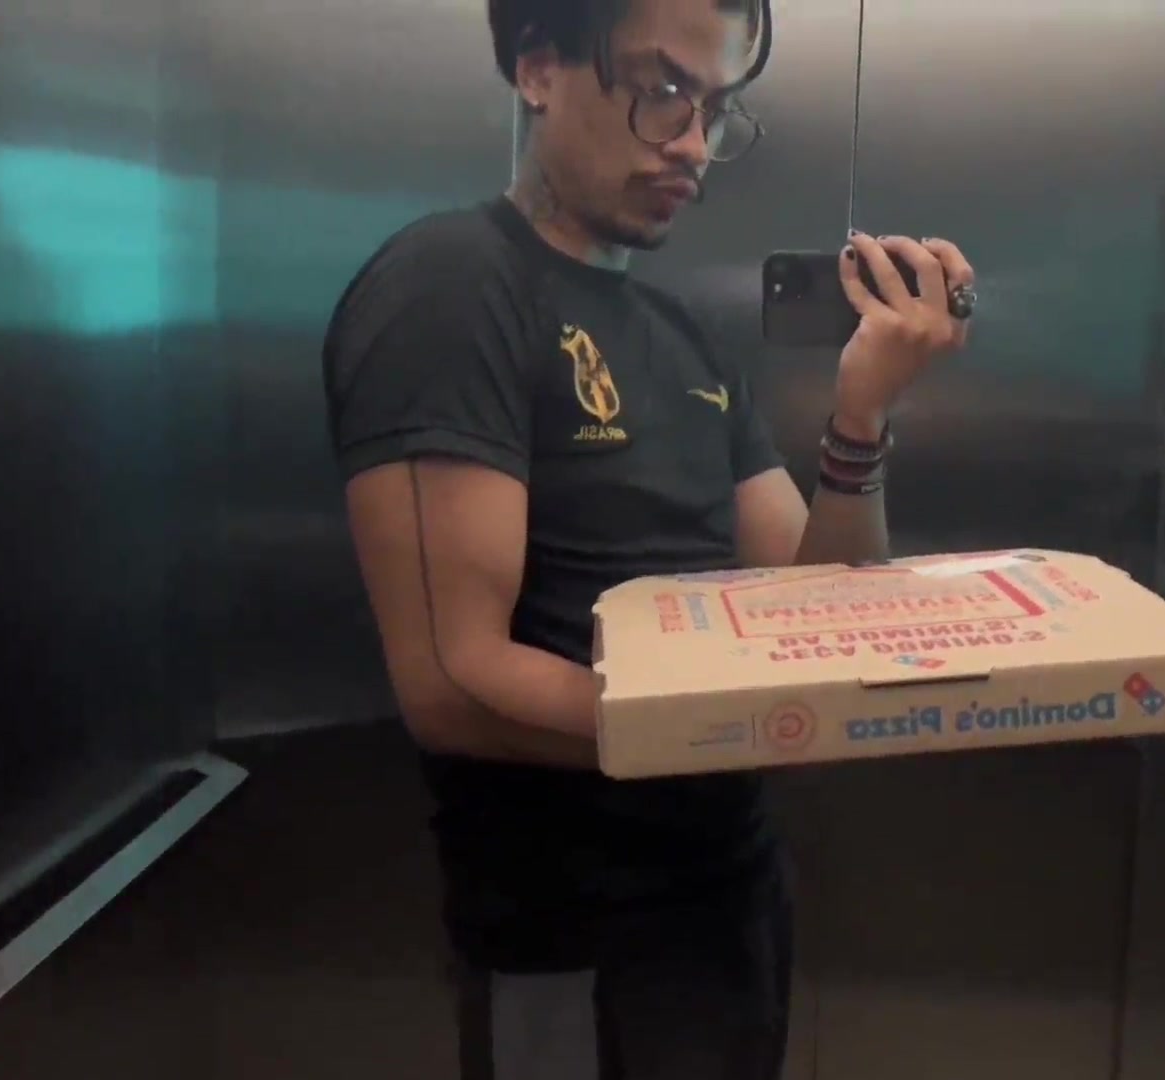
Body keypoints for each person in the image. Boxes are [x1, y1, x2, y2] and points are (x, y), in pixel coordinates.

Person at [319, 0, 977, 1076]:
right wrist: (756, 728)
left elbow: (825, 608)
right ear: (539, 70)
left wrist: (862, 413)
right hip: (576, 938)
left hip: (731, 905)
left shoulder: (683, 335)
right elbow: (452, 681)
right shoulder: (450, 288)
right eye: (663, 91)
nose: (693, 146)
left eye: (715, 110)